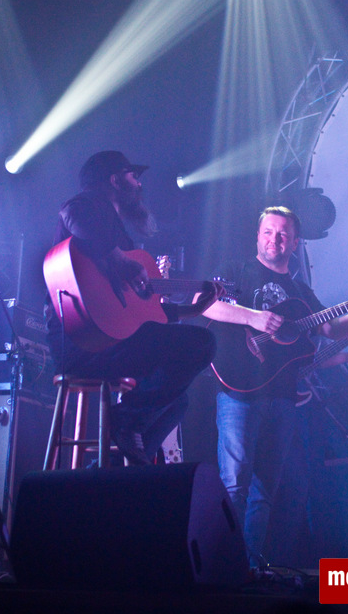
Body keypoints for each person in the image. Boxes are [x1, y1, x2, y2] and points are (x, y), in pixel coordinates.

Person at [200, 205, 348, 567]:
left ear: (295, 243)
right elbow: (205, 305)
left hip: (283, 396)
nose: (275, 239)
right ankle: (221, 568)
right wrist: (254, 317)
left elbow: (331, 328)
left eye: (283, 234)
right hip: (238, 390)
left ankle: (249, 569)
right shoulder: (236, 272)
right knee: (234, 484)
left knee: (264, 492)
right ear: (258, 236)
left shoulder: (301, 292)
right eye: (268, 232)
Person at [44, 150, 221, 466]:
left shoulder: (119, 235)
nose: (139, 184)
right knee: (201, 344)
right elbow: (71, 213)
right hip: (82, 346)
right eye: (133, 176)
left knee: (177, 402)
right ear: (115, 180)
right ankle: (125, 420)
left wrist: (191, 312)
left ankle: (109, 472)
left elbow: (140, 314)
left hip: (111, 342)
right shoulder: (87, 207)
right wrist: (119, 259)